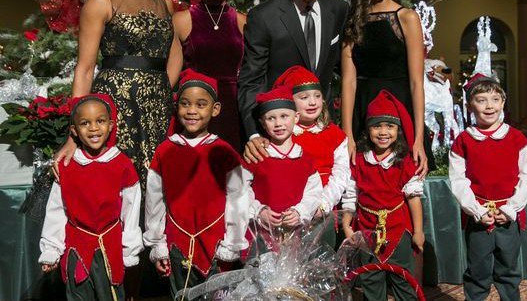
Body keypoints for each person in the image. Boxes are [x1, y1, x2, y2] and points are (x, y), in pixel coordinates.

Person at [54, 0, 182, 185]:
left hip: (157, 108)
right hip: (116, 106)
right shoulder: (102, 0)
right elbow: (85, 68)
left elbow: (175, 54)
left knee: (159, 183)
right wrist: (74, 133)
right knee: (119, 183)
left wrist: (159, 90)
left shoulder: (164, 1)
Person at [238, 0, 349, 162]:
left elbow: (344, 69)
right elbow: (251, 80)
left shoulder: (338, 10)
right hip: (279, 136)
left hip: (323, 130)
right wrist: (253, 134)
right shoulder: (264, 17)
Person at [143, 69, 245, 298]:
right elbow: (154, 200)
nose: (192, 111)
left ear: (215, 109)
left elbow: (239, 199)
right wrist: (157, 244)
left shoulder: (224, 152)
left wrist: (232, 241)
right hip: (176, 244)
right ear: (177, 106)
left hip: (217, 245)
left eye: (201, 105)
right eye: (185, 104)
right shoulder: (165, 151)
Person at [39, 94, 142, 301]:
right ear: (75, 131)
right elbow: (57, 210)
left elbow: (131, 211)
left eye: (100, 121)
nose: (94, 128)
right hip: (77, 246)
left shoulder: (122, 165)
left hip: (109, 247)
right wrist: (51, 248)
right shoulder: (67, 167)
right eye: (85, 123)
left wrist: (129, 249)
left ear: (111, 125)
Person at [341, 0, 430, 175]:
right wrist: (347, 135)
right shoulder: (352, 20)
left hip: (401, 114)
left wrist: (418, 138)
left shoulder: (407, 17)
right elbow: (349, 82)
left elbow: (416, 83)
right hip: (364, 115)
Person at [449, 73, 527, 301]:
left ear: (503, 103)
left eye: (495, 99)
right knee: (477, 272)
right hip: (479, 218)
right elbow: (458, 180)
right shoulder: (463, 141)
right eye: (481, 99)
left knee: (508, 271)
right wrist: (477, 211)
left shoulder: (517, 139)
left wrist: (510, 209)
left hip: (508, 216)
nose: (489, 106)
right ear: (469, 106)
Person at [342, 90, 424, 301]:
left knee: (403, 280)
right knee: (371, 279)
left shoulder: (404, 161)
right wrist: (347, 222)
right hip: (367, 229)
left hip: (398, 230)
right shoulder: (359, 160)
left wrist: (418, 231)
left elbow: (413, 198)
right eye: (377, 126)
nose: (383, 132)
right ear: (368, 130)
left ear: (398, 130)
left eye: (390, 126)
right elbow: (352, 194)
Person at [173, 0, 246, 151]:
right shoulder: (182, 20)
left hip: (233, 110)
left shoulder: (243, 21)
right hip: (195, 110)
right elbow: (172, 73)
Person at [233, 86, 323, 250]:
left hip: (295, 235)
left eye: (284, 116)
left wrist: (299, 212)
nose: (278, 123)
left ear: (296, 117)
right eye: (271, 118)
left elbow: (314, 191)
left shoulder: (305, 158)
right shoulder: (256, 156)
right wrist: (259, 211)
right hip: (259, 237)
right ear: (262, 123)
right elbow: (237, 188)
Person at [273, 65, 350, 246]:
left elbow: (341, 173)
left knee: (322, 262)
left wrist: (323, 203)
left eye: (317, 96)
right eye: (304, 97)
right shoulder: (283, 134)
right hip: (289, 212)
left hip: (322, 211)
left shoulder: (335, 134)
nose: (312, 102)